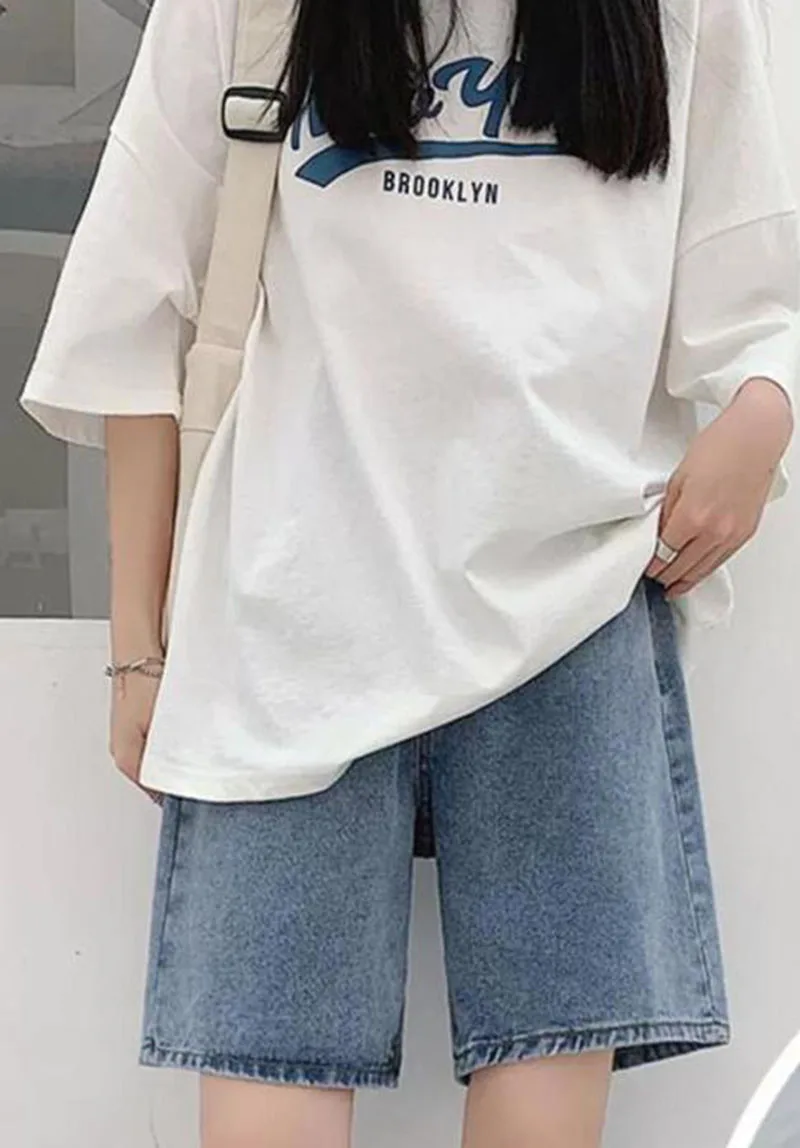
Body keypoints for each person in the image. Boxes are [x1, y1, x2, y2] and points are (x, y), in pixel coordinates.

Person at [18, 0, 799, 1144]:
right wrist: (136, 646)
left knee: (539, 1102)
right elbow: (136, 303)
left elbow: (752, 289)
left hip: (573, 606)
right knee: (265, 1088)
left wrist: (761, 411)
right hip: (289, 610)